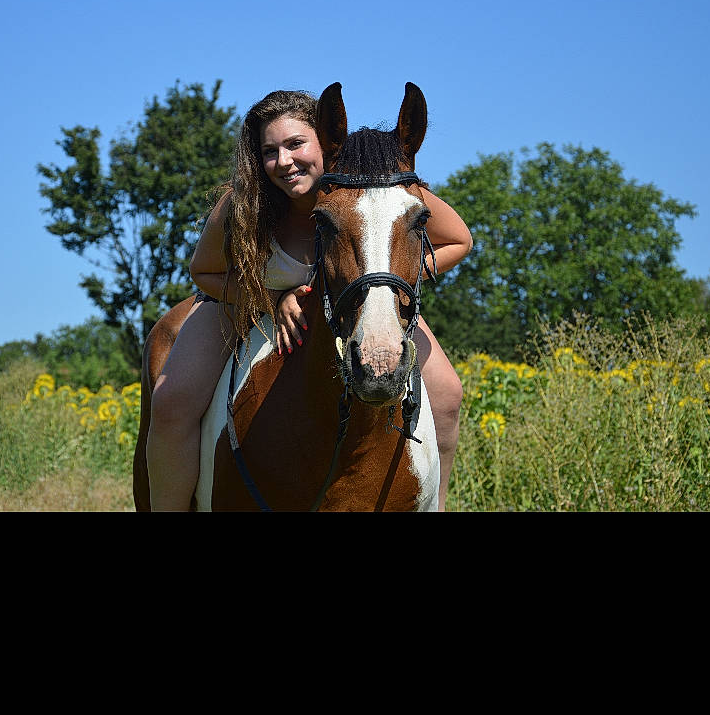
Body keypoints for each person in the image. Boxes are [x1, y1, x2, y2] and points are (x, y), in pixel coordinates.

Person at [146, 88, 473, 512]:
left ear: (324, 141)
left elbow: (459, 240)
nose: (284, 161)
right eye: (269, 150)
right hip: (240, 304)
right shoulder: (243, 202)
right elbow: (203, 272)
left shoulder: (374, 186)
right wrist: (269, 297)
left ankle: (437, 504)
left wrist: (396, 281)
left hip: (361, 301)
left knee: (447, 393)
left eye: (296, 144)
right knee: (172, 403)